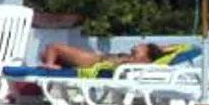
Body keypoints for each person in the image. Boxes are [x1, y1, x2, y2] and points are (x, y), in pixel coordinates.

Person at [37, 39, 186, 73]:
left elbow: (181, 47)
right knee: (47, 51)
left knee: (54, 47)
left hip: (91, 61)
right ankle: (51, 61)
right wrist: (165, 50)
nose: (136, 46)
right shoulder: (142, 59)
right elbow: (179, 47)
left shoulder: (141, 61)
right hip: (96, 59)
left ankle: (50, 64)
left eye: (140, 46)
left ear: (146, 54)